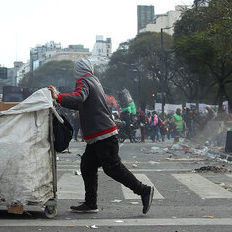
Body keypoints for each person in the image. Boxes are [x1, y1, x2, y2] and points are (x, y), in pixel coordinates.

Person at [48, 58, 153, 214]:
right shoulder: (94, 81)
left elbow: (79, 97)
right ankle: (90, 203)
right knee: (87, 166)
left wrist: (58, 96)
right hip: (99, 136)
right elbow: (79, 103)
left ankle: (143, 190)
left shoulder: (84, 81)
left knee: (113, 168)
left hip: (103, 135)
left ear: (79, 70)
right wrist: (61, 101)